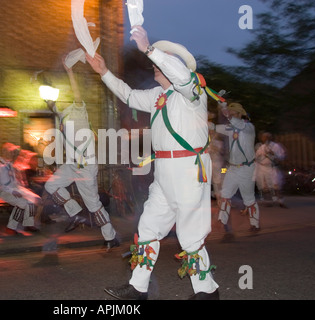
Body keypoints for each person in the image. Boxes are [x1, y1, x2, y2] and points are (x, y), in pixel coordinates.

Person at [86, 25, 219, 300]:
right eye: (154, 61)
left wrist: (149, 48)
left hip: (188, 171)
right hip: (164, 173)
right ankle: (138, 288)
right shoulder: (159, 98)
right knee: (148, 228)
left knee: (191, 236)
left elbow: (183, 76)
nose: (153, 67)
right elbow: (130, 95)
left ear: (172, 66)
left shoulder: (193, 92)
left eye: (159, 62)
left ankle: (207, 292)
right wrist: (104, 72)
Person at [42, 58, 119, 249]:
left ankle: (111, 237)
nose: (68, 95)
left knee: (93, 205)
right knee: (51, 186)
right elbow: (53, 107)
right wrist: (47, 96)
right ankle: (75, 213)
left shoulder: (79, 110)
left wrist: (69, 71)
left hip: (85, 167)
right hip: (72, 165)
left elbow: (76, 94)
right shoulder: (64, 114)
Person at [216, 102, 260, 237]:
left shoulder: (249, 127)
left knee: (248, 199)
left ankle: (255, 224)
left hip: (247, 169)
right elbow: (215, 128)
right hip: (232, 168)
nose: (231, 115)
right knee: (225, 194)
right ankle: (222, 221)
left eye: (233, 113)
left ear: (240, 114)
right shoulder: (230, 128)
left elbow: (238, 124)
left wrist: (225, 111)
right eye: (230, 113)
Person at [0, 142, 41, 233]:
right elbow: (3, 185)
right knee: (22, 202)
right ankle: (11, 227)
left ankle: (28, 223)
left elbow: (14, 181)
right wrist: (14, 191)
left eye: (13, 152)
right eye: (11, 152)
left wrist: (23, 189)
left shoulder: (9, 164)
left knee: (34, 198)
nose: (13, 154)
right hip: (3, 192)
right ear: (4, 152)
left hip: (13, 188)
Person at [255, 131, 287, 207]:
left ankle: (281, 202)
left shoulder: (276, 146)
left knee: (277, 186)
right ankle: (269, 201)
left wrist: (274, 154)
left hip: (272, 168)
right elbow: (256, 157)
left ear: (270, 138)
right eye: (263, 138)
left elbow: (282, 156)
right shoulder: (261, 147)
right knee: (265, 187)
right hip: (263, 168)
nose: (264, 139)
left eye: (266, 137)